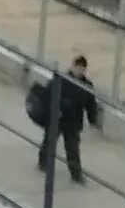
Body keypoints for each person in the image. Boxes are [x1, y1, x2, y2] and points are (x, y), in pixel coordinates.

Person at [35, 53, 100, 184]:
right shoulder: (61, 80)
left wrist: (93, 120)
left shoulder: (86, 85)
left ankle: (76, 175)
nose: (79, 71)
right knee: (49, 142)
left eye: (82, 69)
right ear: (73, 67)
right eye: (78, 68)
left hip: (73, 122)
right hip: (57, 118)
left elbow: (91, 104)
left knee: (73, 149)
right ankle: (43, 163)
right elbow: (48, 95)